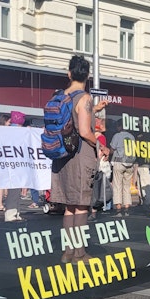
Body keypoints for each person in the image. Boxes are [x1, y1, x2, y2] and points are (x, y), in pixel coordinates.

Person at [50, 55, 101, 263]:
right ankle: (79, 253)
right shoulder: (85, 98)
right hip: (80, 156)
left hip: (61, 155)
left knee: (69, 208)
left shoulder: (60, 96)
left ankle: (67, 252)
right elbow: (85, 131)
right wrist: (101, 146)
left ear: (69, 74)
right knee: (81, 206)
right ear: (87, 76)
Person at [109, 120, 136, 217]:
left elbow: (112, 149)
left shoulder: (117, 136)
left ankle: (118, 210)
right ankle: (127, 208)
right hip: (130, 163)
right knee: (127, 186)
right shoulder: (132, 136)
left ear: (120, 126)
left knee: (117, 186)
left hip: (119, 162)